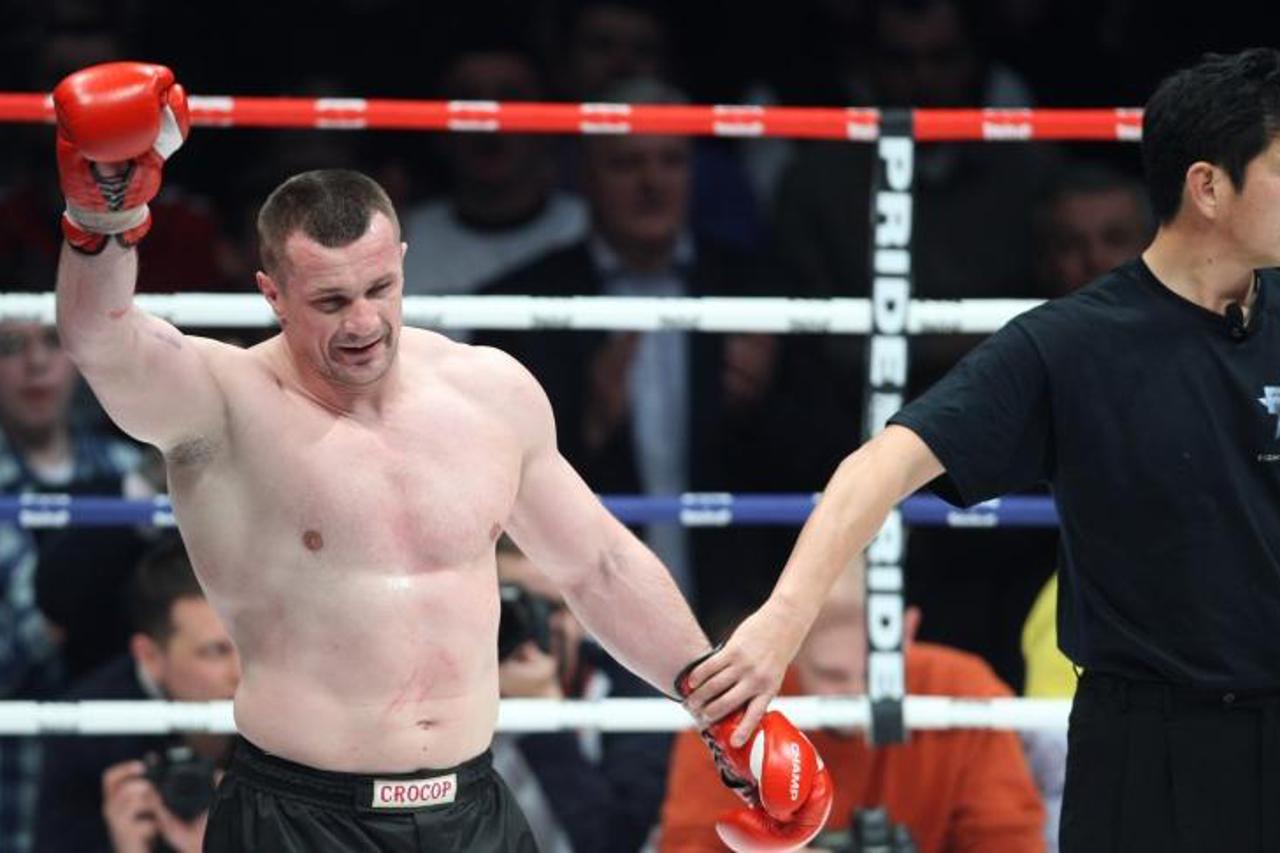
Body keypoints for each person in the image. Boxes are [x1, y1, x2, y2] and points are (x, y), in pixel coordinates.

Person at [52, 61, 829, 852]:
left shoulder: (487, 391)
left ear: (404, 264)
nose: (362, 322)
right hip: (297, 815)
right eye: (329, 301)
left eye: (379, 289)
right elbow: (100, 341)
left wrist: (722, 706)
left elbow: (596, 565)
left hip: (472, 806)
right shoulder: (224, 404)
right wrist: (99, 216)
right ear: (271, 293)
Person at [682, 47, 1280, 852]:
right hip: (1148, 748)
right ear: (1208, 187)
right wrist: (780, 625)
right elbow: (880, 466)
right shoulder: (1071, 344)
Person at [477, 78, 846, 616]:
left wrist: (763, 401)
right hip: (586, 614)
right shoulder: (520, 305)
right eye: (627, 163)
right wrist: (588, 424)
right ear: (585, 176)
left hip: (745, 608)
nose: (652, 182)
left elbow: (824, 461)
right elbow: (497, 494)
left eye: (671, 161)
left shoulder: (762, 290)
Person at [662, 558, 1044, 852]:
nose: (856, 695)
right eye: (832, 674)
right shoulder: (734, 701)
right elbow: (689, 843)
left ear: (907, 632)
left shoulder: (963, 690)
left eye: (872, 674)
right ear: (790, 648)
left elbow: (1011, 841)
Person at [0, 318, 141, 853]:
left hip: (123, 765)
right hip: (13, 776)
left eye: (54, 341)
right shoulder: (135, 478)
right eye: (12, 346)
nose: (36, 364)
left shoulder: (129, 466)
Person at [35, 536, 240, 853]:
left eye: (248, 646)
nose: (240, 671)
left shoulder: (285, 717)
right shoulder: (86, 726)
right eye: (216, 651)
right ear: (150, 657)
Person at [492, 536, 671, 853]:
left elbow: (614, 845)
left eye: (543, 606)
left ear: (580, 616)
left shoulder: (631, 692)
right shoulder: (438, 688)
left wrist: (544, 715)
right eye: (505, 606)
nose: (520, 623)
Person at [399, 46, 587, 299]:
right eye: (467, 100)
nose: (488, 122)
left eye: (510, 99)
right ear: (439, 130)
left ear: (548, 125)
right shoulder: (402, 242)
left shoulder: (588, 232)